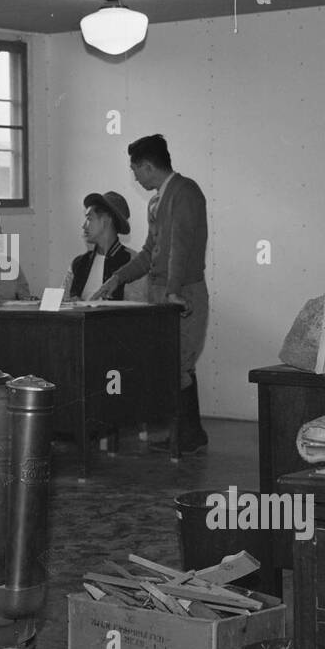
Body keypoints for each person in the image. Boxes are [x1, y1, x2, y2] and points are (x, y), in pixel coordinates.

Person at [93, 135, 209, 453]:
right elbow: (149, 252)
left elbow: (180, 249)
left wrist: (172, 292)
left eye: (135, 171)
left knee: (179, 362)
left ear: (147, 166)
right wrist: (117, 278)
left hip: (182, 290)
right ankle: (187, 431)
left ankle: (186, 433)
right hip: (162, 292)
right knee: (170, 363)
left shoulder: (186, 193)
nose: (135, 178)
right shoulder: (158, 200)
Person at [62, 191, 145, 300]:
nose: (83, 225)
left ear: (106, 220)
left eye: (89, 218)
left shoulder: (133, 263)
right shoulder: (78, 264)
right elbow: (61, 303)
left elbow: (137, 310)